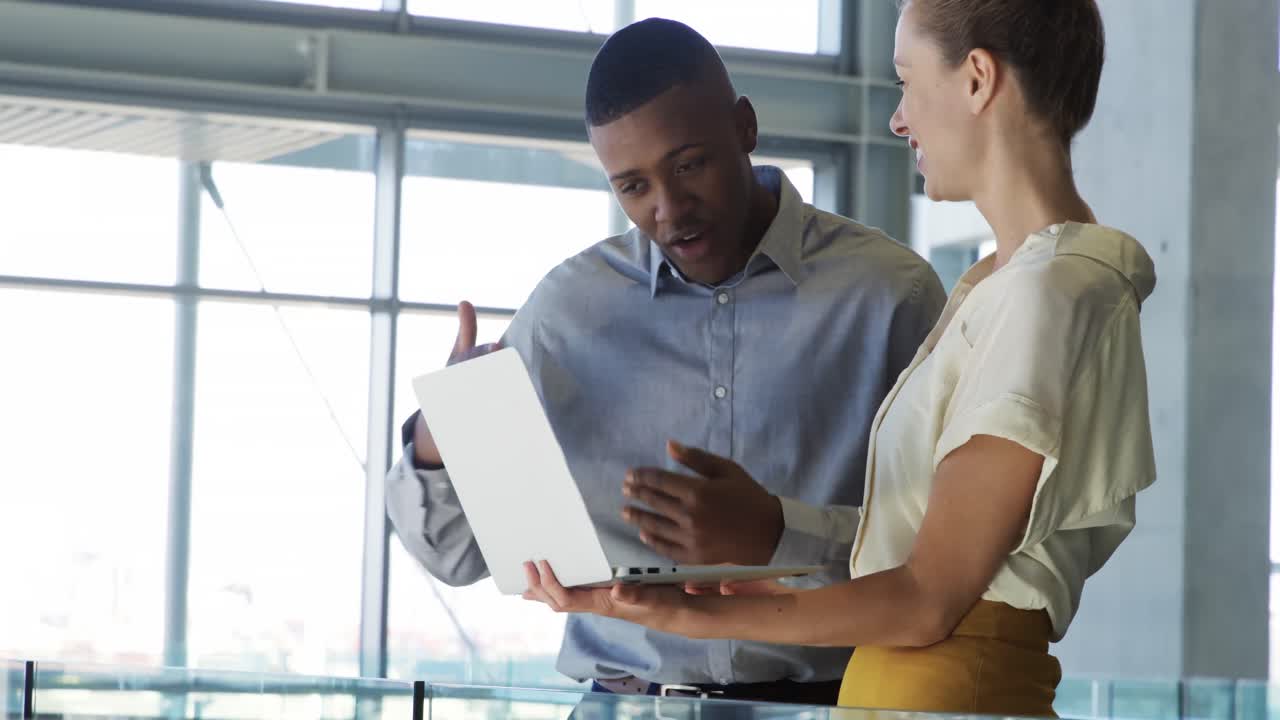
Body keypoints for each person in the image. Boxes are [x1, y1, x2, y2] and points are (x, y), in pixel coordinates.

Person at [522, 1, 1158, 716]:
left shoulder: (1049, 291)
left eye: (906, 81)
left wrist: (678, 612)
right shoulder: (1000, 285)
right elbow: (914, 567)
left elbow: (926, 598)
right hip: (900, 690)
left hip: (948, 691)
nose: (898, 119)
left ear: (977, 79)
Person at [387, 17, 945, 707]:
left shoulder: (891, 296)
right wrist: (439, 436)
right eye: (633, 186)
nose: (669, 209)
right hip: (619, 701)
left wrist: (779, 534)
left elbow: (950, 553)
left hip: (826, 703)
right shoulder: (567, 312)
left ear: (744, 127)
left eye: (689, 165)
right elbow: (454, 555)